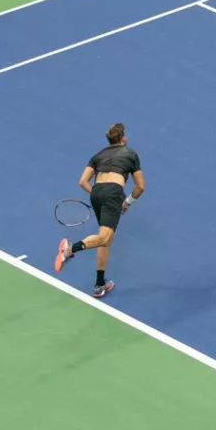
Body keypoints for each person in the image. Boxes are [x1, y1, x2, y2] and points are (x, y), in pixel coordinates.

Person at [53, 121, 147, 299]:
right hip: (114, 194)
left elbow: (82, 182)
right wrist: (126, 202)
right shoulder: (131, 154)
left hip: (96, 194)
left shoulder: (97, 155)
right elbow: (140, 187)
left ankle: (99, 284)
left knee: (105, 237)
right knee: (104, 237)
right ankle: (68, 250)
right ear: (123, 139)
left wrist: (98, 193)